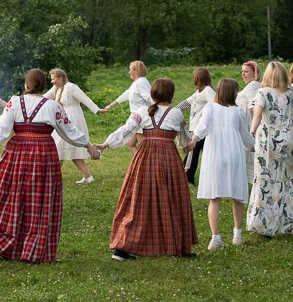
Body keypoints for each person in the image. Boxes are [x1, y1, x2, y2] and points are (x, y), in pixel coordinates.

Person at [0, 69, 95, 263]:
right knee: (40, 201)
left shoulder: (15, 102)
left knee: (8, 195)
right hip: (43, 153)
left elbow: (1, 129)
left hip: (16, 152)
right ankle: (33, 250)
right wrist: (88, 145)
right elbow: (69, 131)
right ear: (44, 86)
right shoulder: (52, 106)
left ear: (26, 85)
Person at [99, 77, 197, 260]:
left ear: (153, 93)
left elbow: (125, 130)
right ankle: (176, 246)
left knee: (137, 200)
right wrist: (193, 142)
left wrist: (106, 144)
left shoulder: (141, 111)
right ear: (171, 94)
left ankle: (122, 249)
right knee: (173, 199)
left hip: (145, 158)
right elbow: (185, 142)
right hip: (168, 160)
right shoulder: (176, 113)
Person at [186, 78, 254, 249]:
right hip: (234, 153)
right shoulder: (238, 112)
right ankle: (237, 234)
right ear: (232, 93)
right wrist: (254, 147)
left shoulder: (210, 108)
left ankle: (215, 238)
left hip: (215, 154)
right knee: (238, 195)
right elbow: (246, 136)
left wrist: (194, 140)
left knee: (215, 197)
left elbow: (202, 127)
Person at [247, 61, 293, 238]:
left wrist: (251, 133)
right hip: (288, 140)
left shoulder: (262, 92)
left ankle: (264, 224)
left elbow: (257, 114)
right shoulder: (292, 94)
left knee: (266, 180)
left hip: (268, 141)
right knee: (290, 180)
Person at [45, 68, 99, 183]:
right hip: (61, 119)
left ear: (61, 78)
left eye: (53, 79)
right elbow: (43, 98)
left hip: (73, 118)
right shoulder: (56, 88)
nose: (52, 81)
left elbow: (85, 99)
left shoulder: (71, 87)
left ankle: (53, 178)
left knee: (59, 147)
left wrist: (97, 110)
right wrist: (28, 101)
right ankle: (88, 177)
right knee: (67, 149)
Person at [176, 67, 216, 185]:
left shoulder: (208, 91)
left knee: (192, 152)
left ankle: (187, 176)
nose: (193, 79)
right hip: (194, 127)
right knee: (192, 152)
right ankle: (186, 175)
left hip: (201, 128)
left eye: (194, 77)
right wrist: (172, 111)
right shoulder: (199, 92)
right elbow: (186, 103)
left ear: (199, 77)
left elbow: (215, 105)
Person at [234, 61, 261, 192]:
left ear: (254, 73)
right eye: (242, 72)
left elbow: (254, 107)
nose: (243, 74)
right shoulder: (251, 85)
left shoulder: (253, 86)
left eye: (246, 72)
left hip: (248, 125)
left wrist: (251, 130)